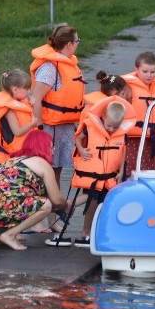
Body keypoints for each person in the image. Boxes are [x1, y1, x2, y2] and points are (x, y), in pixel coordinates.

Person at [29, 25, 87, 241]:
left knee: (56, 173)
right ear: (69, 44)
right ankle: (38, 221)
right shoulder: (50, 67)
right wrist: (40, 129)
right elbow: (36, 99)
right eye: (77, 41)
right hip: (48, 128)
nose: (77, 45)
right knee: (43, 174)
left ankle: (53, 218)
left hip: (63, 127)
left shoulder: (67, 65)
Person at [0, 130, 69, 251]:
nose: (53, 150)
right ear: (43, 146)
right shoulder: (42, 163)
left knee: (21, 200)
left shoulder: (14, 159)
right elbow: (56, 199)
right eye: (51, 146)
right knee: (46, 205)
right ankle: (10, 235)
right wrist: (65, 205)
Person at [67, 96, 136, 247]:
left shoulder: (122, 132)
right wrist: (81, 149)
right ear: (103, 117)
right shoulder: (90, 127)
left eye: (115, 127)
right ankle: (85, 231)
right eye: (109, 125)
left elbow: (123, 151)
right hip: (92, 173)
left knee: (105, 204)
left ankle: (98, 232)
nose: (111, 129)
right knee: (91, 201)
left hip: (110, 175)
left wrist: (121, 171)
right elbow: (78, 138)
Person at [122, 51, 155, 178]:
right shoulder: (127, 87)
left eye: (153, 72)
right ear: (137, 69)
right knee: (130, 173)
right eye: (145, 71)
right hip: (131, 140)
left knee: (151, 175)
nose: (149, 75)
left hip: (152, 140)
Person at [0, 69, 40, 171]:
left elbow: (24, 118)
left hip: (19, 156)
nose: (29, 91)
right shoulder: (9, 110)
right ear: (15, 90)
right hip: (8, 160)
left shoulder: (20, 103)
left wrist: (31, 106)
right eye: (26, 89)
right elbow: (18, 132)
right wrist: (33, 124)